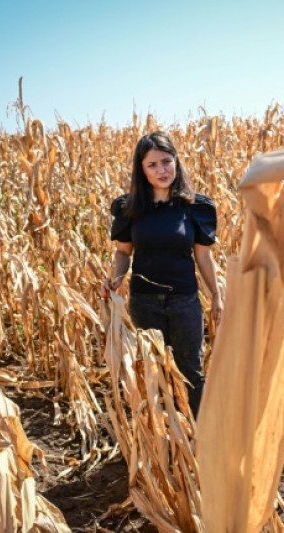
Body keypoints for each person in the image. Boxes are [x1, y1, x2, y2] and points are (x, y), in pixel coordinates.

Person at [100, 131, 222, 418]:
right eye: (152, 165)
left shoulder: (196, 208)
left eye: (166, 161)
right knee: (153, 368)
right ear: (141, 170)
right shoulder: (129, 208)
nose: (161, 170)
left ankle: (198, 435)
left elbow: (203, 255)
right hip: (144, 303)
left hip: (184, 301)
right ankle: (163, 435)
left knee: (190, 368)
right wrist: (115, 279)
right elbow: (123, 252)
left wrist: (216, 295)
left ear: (176, 162)